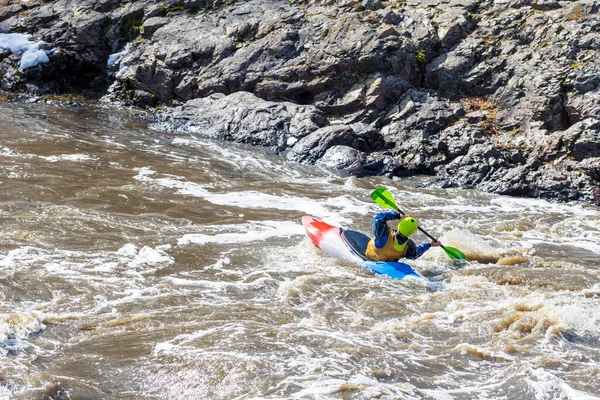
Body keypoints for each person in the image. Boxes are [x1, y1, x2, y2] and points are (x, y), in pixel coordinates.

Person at [365, 211, 442, 262]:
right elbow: (416, 254)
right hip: (388, 263)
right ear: (412, 232)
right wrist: (429, 245)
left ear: (399, 225)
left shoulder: (384, 235)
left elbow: (378, 218)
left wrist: (398, 215)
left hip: (370, 256)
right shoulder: (409, 245)